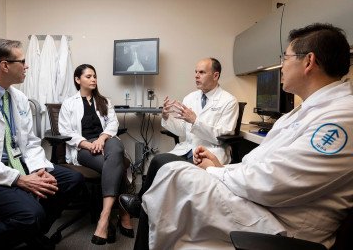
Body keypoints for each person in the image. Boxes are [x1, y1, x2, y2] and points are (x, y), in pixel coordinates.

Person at [137, 23, 353, 249]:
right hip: (262, 201)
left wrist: (215, 170)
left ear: (308, 62)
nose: (281, 66)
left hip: (280, 224)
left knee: (170, 178)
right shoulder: (304, 112)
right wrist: (220, 169)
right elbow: (261, 166)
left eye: (285, 58)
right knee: (169, 178)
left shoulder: (339, 119)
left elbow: (271, 180)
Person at [0, 39, 84, 250]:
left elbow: (30, 142)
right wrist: (19, 179)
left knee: (72, 179)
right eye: (22, 61)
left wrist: (39, 169)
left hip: (20, 166)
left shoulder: (19, 98)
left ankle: (33, 232)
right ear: (5, 65)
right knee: (30, 215)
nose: (27, 66)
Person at [119, 57, 239, 217]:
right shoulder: (191, 98)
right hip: (187, 149)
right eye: (196, 72)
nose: (196, 76)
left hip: (210, 152)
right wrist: (167, 116)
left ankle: (144, 206)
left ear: (215, 75)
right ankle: (143, 204)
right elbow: (183, 131)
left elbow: (222, 136)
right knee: (158, 160)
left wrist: (195, 120)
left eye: (202, 72)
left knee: (170, 172)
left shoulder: (228, 101)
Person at [58, 64, 134, 245]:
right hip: (84, 148)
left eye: (95, 76)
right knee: (118, 165)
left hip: (106, 141)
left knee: (115, 149)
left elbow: (113, 124)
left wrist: (101, 139)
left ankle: (104, 216)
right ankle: (124, 213)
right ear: (78, 80)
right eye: (88, 76)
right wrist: (87, 144)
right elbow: (65, 131)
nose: (93, 79)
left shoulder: (104, 101)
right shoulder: (69, 104)